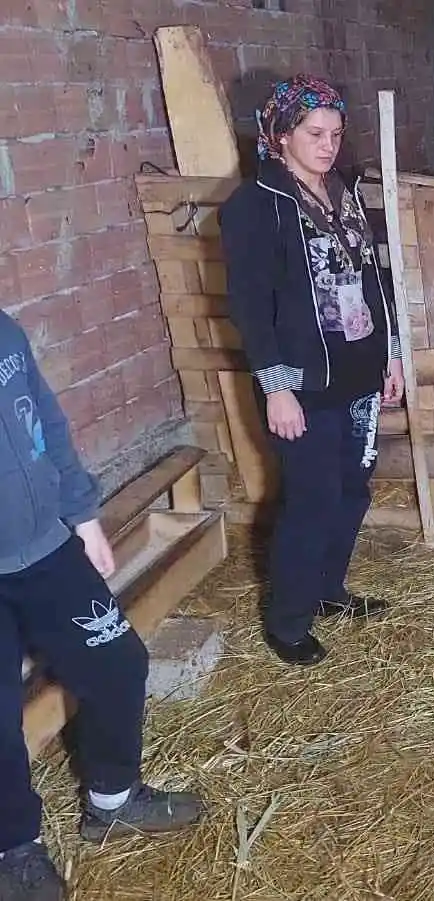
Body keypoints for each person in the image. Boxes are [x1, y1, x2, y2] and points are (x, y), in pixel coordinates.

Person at [0, 310, 205, 900]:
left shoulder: (5, 332)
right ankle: (14, 847)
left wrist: (83, 513)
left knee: (117, 665)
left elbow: (43, 421)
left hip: (45, 546)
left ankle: (111, 801)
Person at [219, 75, 405, 667]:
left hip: (357, 373)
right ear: (280, 134)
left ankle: (328, 589)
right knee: (311, 497)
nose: (328, 144)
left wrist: (391, 352)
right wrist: (276, 390)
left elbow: (376, 277)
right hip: (299, 384)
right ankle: (288, 621)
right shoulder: (256, 205)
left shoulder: (343, 191)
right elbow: (249, 305)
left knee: (352, 490)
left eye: (336, 133)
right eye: (314, 133)